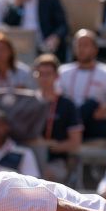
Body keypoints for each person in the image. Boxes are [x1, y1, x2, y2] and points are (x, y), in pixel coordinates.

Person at [58, 29, 106, 142]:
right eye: (78, 45)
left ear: (95, 49)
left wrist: (105, 109)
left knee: (91, 104)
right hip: (69, 121)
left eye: (85, 45)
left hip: (93, 121)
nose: (81, 49)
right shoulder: (63, 71)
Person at [34, 53, 83, 182]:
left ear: (56, 76)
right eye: (40, 74)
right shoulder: (29, 101)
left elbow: (75, 143)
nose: (44, 78)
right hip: (29, 157)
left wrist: (50, 146)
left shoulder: (67, 104)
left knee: (43, 178)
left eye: (48, 74)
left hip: (55, 161)